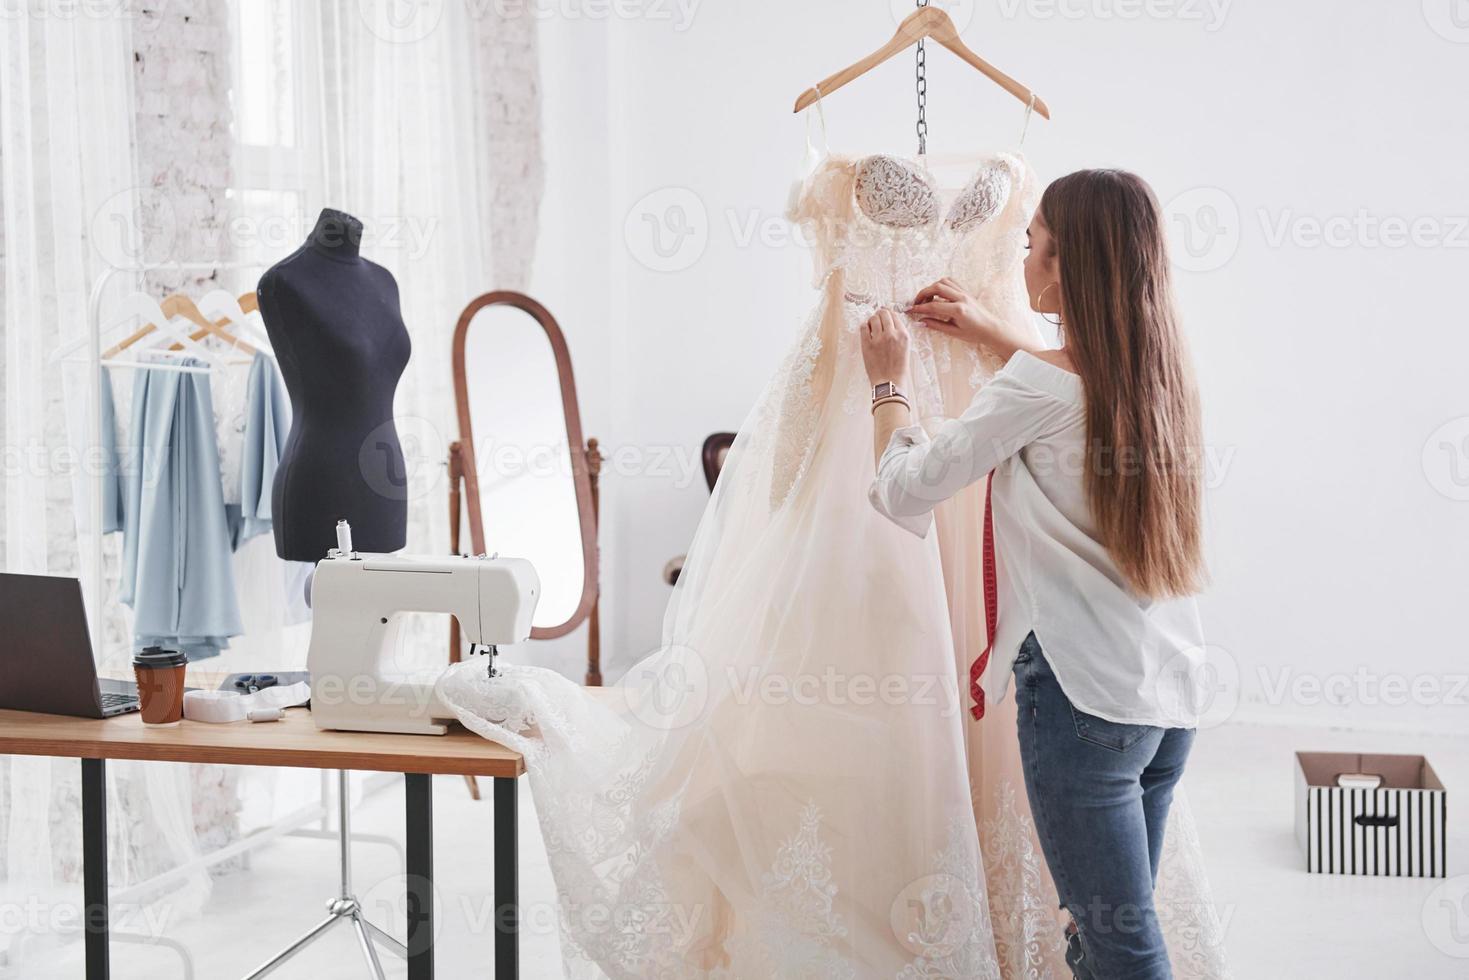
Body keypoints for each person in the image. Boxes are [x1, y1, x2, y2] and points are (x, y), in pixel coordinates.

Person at [862, 168, 1210, 980]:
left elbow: (903, 488)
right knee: (1104, 935)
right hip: (1165, 702)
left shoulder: (1039, 383)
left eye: (1030, 243)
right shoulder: (1161, 379)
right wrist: (990, 333)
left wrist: (888, 384)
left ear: (1061, 265)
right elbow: (1070, 394)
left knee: (1118, 946)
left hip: (1082, 705)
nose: (1021, 259)